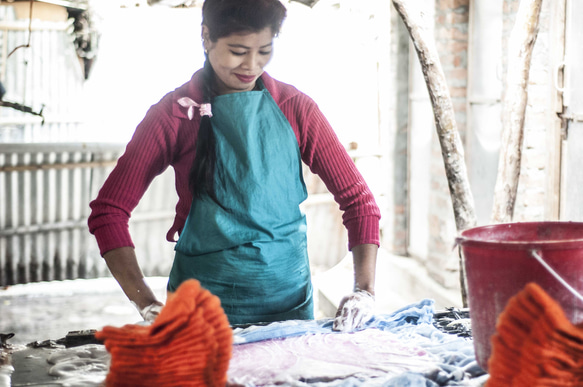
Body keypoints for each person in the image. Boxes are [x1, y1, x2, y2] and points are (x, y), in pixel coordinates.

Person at [88, 0, 381, 331]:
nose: (252, 65)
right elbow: (108, 212)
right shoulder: (173, 115)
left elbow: (360, 203)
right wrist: (146, 303)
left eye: (264, 51)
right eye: (238, 51)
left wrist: (364, 291)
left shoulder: (295, 108)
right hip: (198, 319)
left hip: (290, 315)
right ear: (206, 37)